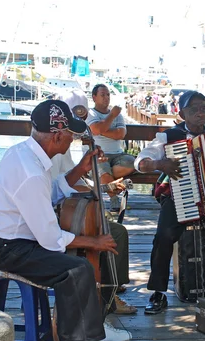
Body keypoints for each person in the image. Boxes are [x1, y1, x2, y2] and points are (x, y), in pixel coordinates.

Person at [0, 99, 124, 341]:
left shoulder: (28, 154)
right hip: (7, 248)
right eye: (70, 133)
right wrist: (93, 242)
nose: (73, 138)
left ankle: (91, 333)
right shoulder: (31, 171)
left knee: (79, 259)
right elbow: (50, 238)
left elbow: (54, 192)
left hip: (18, 240)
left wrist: (81, 169)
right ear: (58, 136)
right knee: (75, 269)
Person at [134, 90, 205, 314]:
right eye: (194, 108)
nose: (200, 112)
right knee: (163, 236)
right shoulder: (169, 137)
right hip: (180, 198)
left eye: (203, 108)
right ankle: (158, 293)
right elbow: (140, 162)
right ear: (182, 113)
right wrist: (159, 164)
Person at [52, 91, 137, 315]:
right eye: (70, 130)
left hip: (62, 213)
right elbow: (61, 193)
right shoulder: (54, 153)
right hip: (55, 220)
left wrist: (104, 188)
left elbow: (67, 186)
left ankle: (109, 291)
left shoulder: (62, 150)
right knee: (113, 233)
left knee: (112, 229)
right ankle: (107, 297)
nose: (73, 136)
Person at [86, 84, 136, 211]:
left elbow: (120, 134)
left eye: (108, 94)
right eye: (102, 95)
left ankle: (107, 182)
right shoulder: (91, 113)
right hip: (99, 154)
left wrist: (101, 129)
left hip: (118, 155)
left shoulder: (118, 114)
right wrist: (111, 116)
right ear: (94, 97)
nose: (106, 97)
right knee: (101, 166)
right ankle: (114, 199)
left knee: (134, 163)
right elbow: (96, 129)